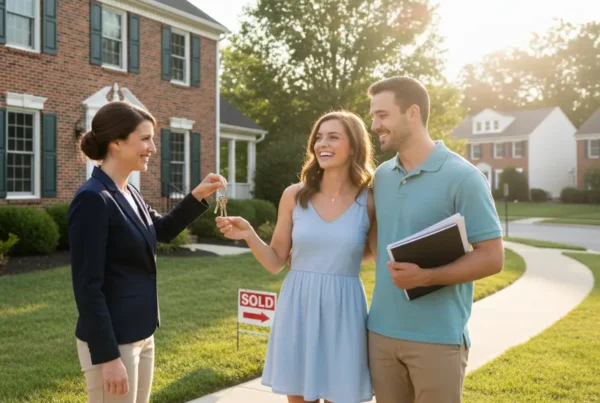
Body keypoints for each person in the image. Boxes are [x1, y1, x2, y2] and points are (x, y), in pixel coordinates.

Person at [68, 101, 226, 403]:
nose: (152, 148)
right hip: (113, 343)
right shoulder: (93, 199)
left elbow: (161, 230)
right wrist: (109, 357)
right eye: (145, 139)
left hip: (142, 333)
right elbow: (88, 286)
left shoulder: (128, 191)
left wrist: (198, 195)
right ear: (116, 142)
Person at [216, 110, 376, 403]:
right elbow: (276, 261)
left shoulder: (370, 200)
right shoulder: (294, 195)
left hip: (345, 310)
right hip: (298, 306)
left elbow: (372, 252)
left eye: (333, 137)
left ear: (354, 145)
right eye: (319, 137)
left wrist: (335, 263)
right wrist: (250, 234)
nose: (322, 143)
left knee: (343, 397)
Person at [366, 76, 504, 403]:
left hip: (437, 339)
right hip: (381, 334)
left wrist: (427, 276)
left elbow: (492, 257)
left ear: (412, 112)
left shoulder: (464, 178)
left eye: (382, 115)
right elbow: (372, 243)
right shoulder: (382, 177)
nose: (374, 125)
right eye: (373, 116)